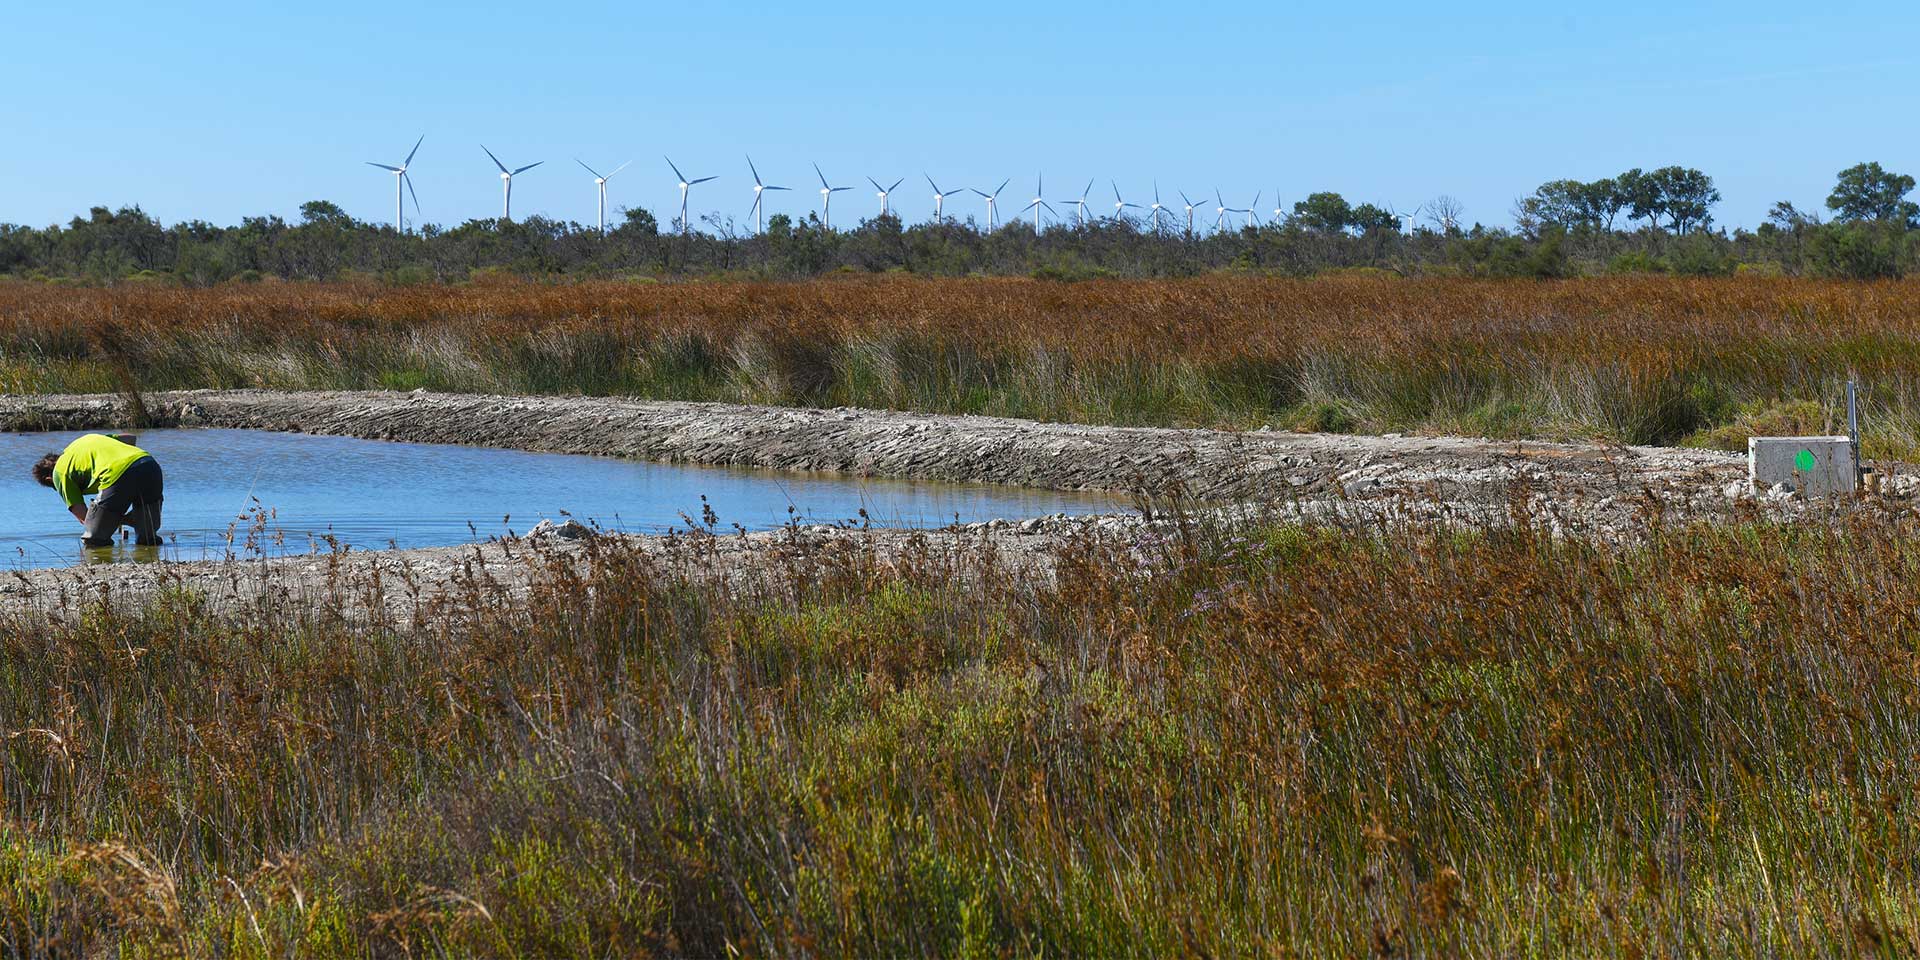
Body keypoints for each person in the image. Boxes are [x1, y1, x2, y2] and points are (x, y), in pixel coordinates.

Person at [30, 433, 165, 548]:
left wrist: (117, 519)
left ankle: (103, 565)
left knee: (94, 540)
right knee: (147, 540)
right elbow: (130, 438)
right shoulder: (83, 443)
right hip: (149, 465)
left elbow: (85, 519)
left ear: (49, 479)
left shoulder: (59, 473)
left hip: (117, 473)